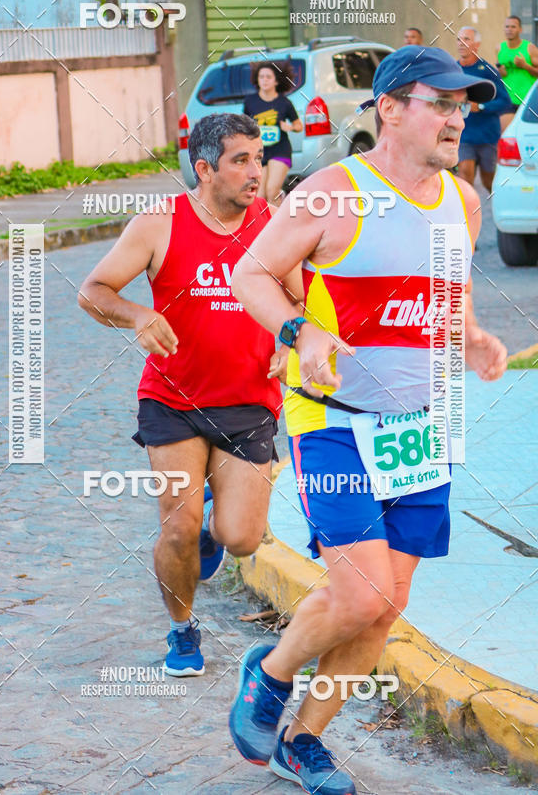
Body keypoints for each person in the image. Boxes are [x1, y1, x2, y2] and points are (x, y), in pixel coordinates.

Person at [229, 46, 508, 795]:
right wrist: (300, 333)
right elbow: (249, 272)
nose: (458, 118)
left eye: (463, 106)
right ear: (389, 108)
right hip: (334, 419)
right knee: (361, 595)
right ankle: (273, 671)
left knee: (389, 606)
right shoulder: (331, 193)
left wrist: (472, 334)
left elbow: (450, 294)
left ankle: (302, 743)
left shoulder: (463, 201)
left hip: (422, 424)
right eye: (441, 103)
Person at [78, 113, 301, 677]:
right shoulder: (160, 224)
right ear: (204, 169)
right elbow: (93, 291)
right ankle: (182, 630)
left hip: (248, 403)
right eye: (240, 160)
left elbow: (303, 305)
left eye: (258, 157)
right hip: (171, 401)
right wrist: (137, 314)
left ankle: (211, 528)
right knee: (176, 527)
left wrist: (289, 342)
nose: (257, 171)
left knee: (242, 537)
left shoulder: (273, 226)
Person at [456, 26, 512, 192]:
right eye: (458, 39)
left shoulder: (488, 71)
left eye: (466, 39)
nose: (461, 43)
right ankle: (468, 214)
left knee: (489, 183)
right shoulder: (452, 69)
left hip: (487, 136)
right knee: (465, 177)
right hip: (464, 134)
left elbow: (505, 102)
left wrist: (481, 107)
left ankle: (498, 211)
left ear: (477, 44)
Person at [243, 61, 303, 206]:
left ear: (276, 81)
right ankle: (269, 222)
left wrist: (290, 127)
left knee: (272, 190)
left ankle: (280, 225)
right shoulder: (250, 101)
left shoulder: (284, 102)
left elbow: (298, 125)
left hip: (280, 150)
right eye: (261, 77)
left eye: (268, 77)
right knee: (261, 195)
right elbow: (244, 125)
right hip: (259, 153)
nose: (264, 80)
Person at [496, 15, 538, 111]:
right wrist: (500, 72)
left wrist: (525, 66)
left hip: (526, 101)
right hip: (506, 100)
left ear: (520, 30)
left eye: (513, 27)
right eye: (507, 27)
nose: (509, 30)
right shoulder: (499, 48)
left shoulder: (529, 48)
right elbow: (499, 70)